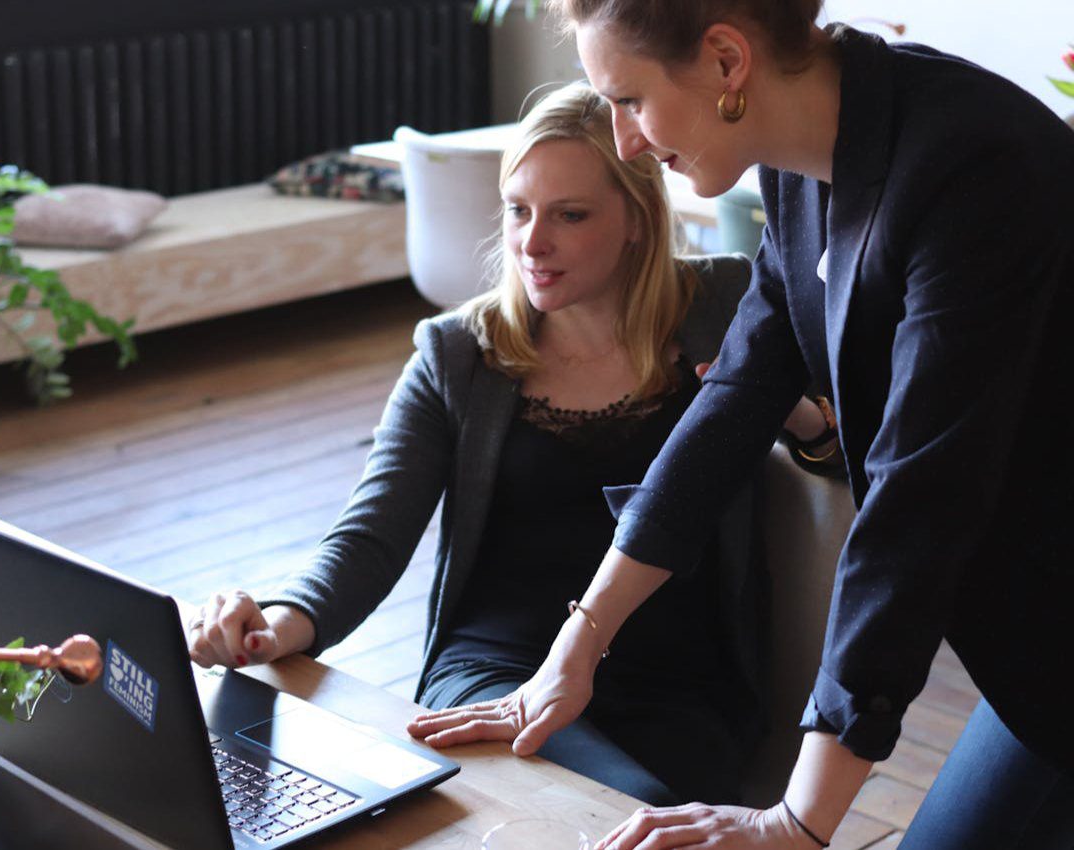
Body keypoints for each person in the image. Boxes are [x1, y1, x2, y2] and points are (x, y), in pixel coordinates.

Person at [408, 3, 1074, 849]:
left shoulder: (974, 164)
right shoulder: (803, 168)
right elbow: (735, 400)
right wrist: (575, 649)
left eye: (630, 100)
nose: (625, 143)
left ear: (727, 61)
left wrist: (795, 823)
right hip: (1033, 637)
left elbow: (919, 504)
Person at [187, 81, 835, 806]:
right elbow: (370, 535)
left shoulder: (727, 304)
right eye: (519, 210)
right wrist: (278, 624)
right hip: (496, 671)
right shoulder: (459, 354)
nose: (532, 242)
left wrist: (797, 417)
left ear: (637, 220)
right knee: (609, 809)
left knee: (635, 808)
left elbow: (848, 458)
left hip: (679, 685)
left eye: (570, 215)